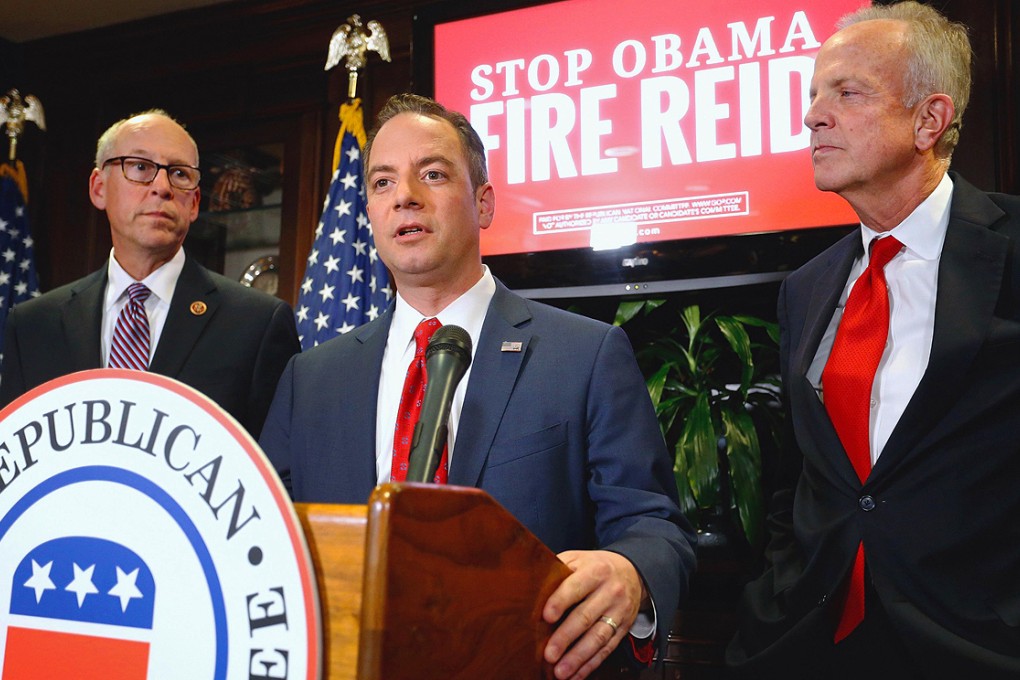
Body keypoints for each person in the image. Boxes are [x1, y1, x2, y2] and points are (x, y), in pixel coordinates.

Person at [259, 93, 696, 679]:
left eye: (432, 174)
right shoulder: (310, 378)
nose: (404, 196)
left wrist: (629, 573)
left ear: (483, 203)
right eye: (382, 182)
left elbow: (653, 526)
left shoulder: (585, 354)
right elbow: (264, 536)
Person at [727, 2, 1020, 677]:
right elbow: (800, 476)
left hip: (978, 644)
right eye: (813, 95)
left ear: (929, 120)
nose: (812, 116)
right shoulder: (806, 286)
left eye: (847, 92)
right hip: (808, 641)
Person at [0, 110, 300, 439]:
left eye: (180, 174)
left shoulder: (256, 324)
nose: (162, 187)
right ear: (99, 188)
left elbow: (275, 472)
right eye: (141, 167)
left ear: (195, 203)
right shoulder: (33, 325)